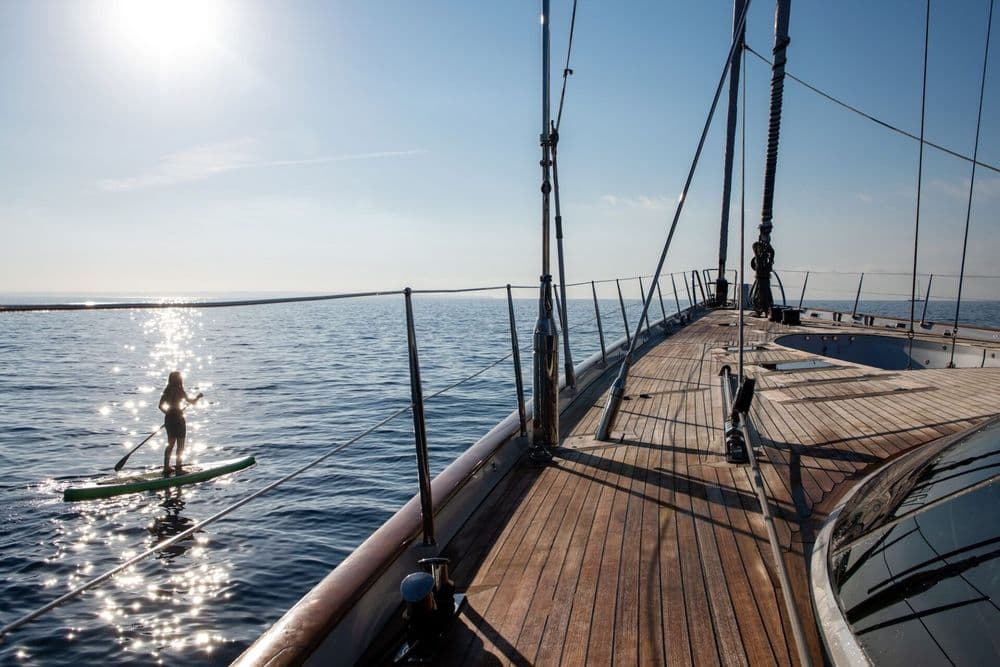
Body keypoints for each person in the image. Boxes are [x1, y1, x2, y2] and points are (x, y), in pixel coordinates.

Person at [159, 371, 203, 476]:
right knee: (180, 445)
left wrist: (168, 414)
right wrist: (198, 397)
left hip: (169, 418)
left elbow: (160, 406)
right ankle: (178, 469)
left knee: (170, 444)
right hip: (178, 419)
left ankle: (166, 467)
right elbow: (191, 402)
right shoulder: (180, 391)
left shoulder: (166, 391)